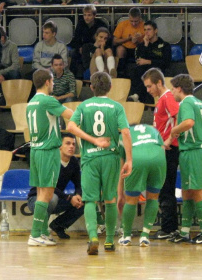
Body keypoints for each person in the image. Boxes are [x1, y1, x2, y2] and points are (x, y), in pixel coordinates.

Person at [67, 72, 132, 255]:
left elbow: (71, 127)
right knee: (110, 198)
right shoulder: (116, 106)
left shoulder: (84, 106)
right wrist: (129, 160)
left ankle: (93, 237)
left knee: (90, 199)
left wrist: (93, 141)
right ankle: (110, 241)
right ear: (110, 88)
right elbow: (126, 133)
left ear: (92, 87)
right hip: (111, 157)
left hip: (90, 158)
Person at [27, 69, 73, 246]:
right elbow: (69, 114)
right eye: (52, 81)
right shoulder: (47, 100)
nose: (53, 84)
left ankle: (43, 231)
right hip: (48, 150)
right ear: (47, 82)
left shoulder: (31, 102)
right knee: (46, 193)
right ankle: (35, 234)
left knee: (40, 192)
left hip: (36, 151)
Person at [169, 74, 202, 244]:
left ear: (179, 89)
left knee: (196, 192)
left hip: (192, 152)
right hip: (199, 151)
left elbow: (188, 122)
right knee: (187, 192)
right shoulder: (197, 102)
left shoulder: (187, 103)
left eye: (173, 88)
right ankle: (184, 232)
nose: (172, 92)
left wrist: (174, 131)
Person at [141, 68, 179, 240]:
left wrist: (169, 141)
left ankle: (169, 228)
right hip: (163, 149)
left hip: (169, 150)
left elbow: (178, 118)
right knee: (164, 188)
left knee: (166, 189)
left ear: (158, 83)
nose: (148, 90)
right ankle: (169, 227)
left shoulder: (168, 97)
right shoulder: (162, 99)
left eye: (150, 86)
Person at [27, 133, 84, 239]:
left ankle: (58, 225)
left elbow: (78, 183)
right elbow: (49, 186)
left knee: (85, 200)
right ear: (59, 146)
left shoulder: (74, 162)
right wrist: (69, 198)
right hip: (37, 198)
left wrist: (78, 195)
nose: (71, 146)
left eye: (73, 144)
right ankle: (40, 232)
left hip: (58, 198)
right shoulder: (51, 159)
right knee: (51, 198)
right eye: (67, 143)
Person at [117, 124, 166, 247]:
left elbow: (122, 167)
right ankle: (145, 236)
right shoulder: (153, 130)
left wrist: (120, 194)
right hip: (158, 158)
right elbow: (162, 147)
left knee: (131, 200)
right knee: (153, 197)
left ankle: (126, 236)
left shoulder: (123, 134)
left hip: (136, 158)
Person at [129, 20, 171, 104]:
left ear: (155, 31)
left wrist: (149, 61)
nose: (146, 32)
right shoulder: (142, 45)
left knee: (151, 71)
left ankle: (137, 95)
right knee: (137, 70)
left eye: (149, 29)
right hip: (144, 70)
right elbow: (139, 60)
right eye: (144, 30)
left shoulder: (165, 45)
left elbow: (166, 62)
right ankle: (136, 96)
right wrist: (146, 45)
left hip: (159, 70)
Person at [27, 21, 68, 100]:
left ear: (54, 34)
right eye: (43, 32)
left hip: (55, 70)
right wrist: (44, 70)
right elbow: (35, 63)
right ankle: (32, 101)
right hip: (41, 69)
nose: (44, 35)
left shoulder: (61, 46)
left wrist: (51, 69)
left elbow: (64, 64)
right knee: (29, 76)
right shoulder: (39, 45)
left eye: (47, 33)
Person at [69, 5, 108, 78]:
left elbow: (105, 39)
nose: (86, 17)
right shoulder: (81, 23)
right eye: (85, 15)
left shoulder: (101, 24)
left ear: (94, 15)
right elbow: (76, 39)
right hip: (84, 47)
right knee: (74, 53)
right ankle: (74, 77)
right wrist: (79, 47)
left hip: (96, 47)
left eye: (89, 15)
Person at [113, 7, 144, 76]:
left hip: (138, 48)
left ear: (140, 18)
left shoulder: (144, 26)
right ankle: (120, 72)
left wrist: (137, 42)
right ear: (128, 18)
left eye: (136, 21)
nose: (133, 23)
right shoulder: (122, 24)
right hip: (125, 48)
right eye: (131, 21)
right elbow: (114, 41)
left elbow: (147, 44)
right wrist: (128, 39)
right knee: (120, 49)